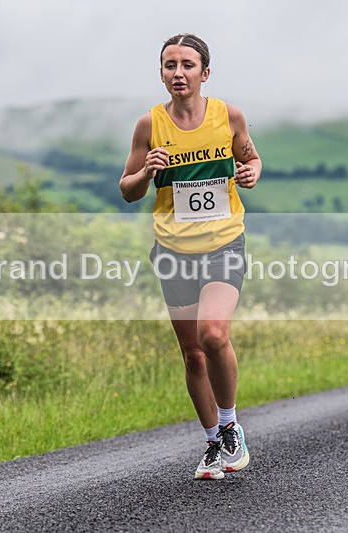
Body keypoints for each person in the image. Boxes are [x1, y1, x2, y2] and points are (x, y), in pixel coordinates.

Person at [120, 33, 261, 479]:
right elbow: (128, 190)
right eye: (169, 65)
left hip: (223, 244)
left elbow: (252, 159)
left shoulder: (228, 115)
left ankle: (230, 425)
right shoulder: (149, 125)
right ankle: (212, 444)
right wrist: (147, 170)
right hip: (173, 251)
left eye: (186, 65)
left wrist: (250, 172)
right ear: (161, 72)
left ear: (205, 72)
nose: (177, 73)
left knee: (214, 334)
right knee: (193, 354)